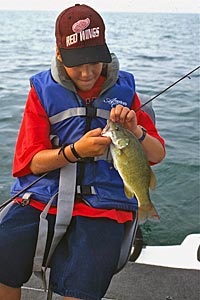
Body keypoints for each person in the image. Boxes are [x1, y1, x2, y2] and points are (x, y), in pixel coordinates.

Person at [0, 4, 165, 300]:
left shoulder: (126, 91)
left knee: (82, 285)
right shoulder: (41, 90)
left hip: (105, 203)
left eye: (95, 61)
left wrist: (137, 130)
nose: (87, 72)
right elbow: (32, 163)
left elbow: (156, 154)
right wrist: (75, 151)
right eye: (77, 63)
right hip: (42, 196)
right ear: (59, 55)